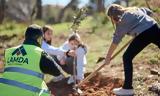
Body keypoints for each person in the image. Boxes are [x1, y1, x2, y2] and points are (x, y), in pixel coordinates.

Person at [105, 4, 160, 95]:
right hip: (154, 27)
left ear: (112, 17)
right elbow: (147, 11)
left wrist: (108, 57)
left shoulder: (122, 21)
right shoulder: (134, 9)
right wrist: (138, 25)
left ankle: (127, 88)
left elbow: (116, 40)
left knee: (127, 57)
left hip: (145, 34)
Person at [0, 24, 66, 96]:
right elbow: (57, 71)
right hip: (25, 93)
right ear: (39, 39)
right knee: (45, 92)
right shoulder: (39, 53)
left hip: (3, 92)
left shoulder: (9, 51)